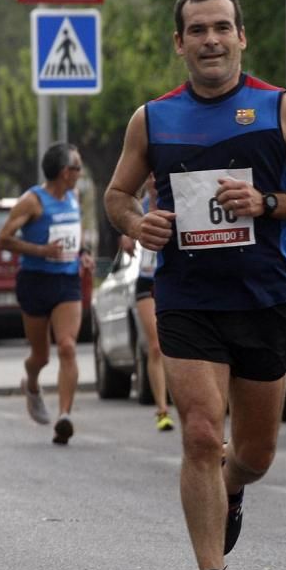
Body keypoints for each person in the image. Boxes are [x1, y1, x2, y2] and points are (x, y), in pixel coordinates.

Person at [104, 0, 286, 570]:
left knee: (255, 452)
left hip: (263, 297)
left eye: (221, 28)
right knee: (202, 432)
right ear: (179, 43)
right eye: (197, 30)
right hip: (188, 296)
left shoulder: (278, 109)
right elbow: (117, 195)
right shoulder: (152, 119)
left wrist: (265, 204)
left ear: (240, 38)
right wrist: (137, 221)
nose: (210, 40)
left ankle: (234, 487)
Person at [0, 143, 95, 445]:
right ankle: (33, 384)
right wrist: (40, 250)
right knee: (40, 355)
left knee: (67, 346)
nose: (80, 173)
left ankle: (64, 416)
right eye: (77, 168)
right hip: (35, 281)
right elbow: (3, 239)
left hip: (67, 281)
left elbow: (73, 236)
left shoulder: (74, 197)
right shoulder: (31, 201)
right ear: (66, 172)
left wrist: (84, 253)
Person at [119, 173, 175, 432]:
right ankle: (162, 409)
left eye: (157, 175)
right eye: (149, 176)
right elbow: (125, 228)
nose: (154, 181)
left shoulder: (174, 201)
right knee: (155, 346)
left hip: (174, 280)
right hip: (147, 281)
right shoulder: (139, 207)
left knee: (176, 346)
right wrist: (127, 235)